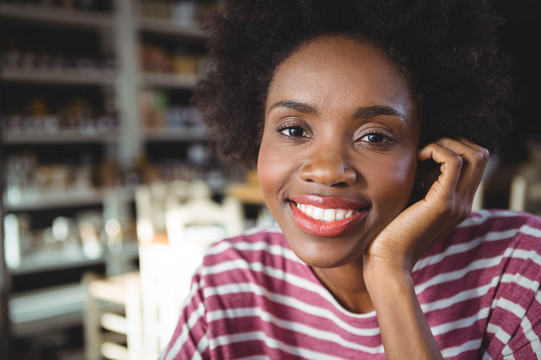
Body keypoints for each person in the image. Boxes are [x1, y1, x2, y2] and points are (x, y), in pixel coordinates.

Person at [160, 0, 541, 358]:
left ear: (430, 150)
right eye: (293, 130)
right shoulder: (227, 281)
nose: (327, 170)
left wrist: (390, 272)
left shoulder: (521, 269)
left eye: (374, 136)